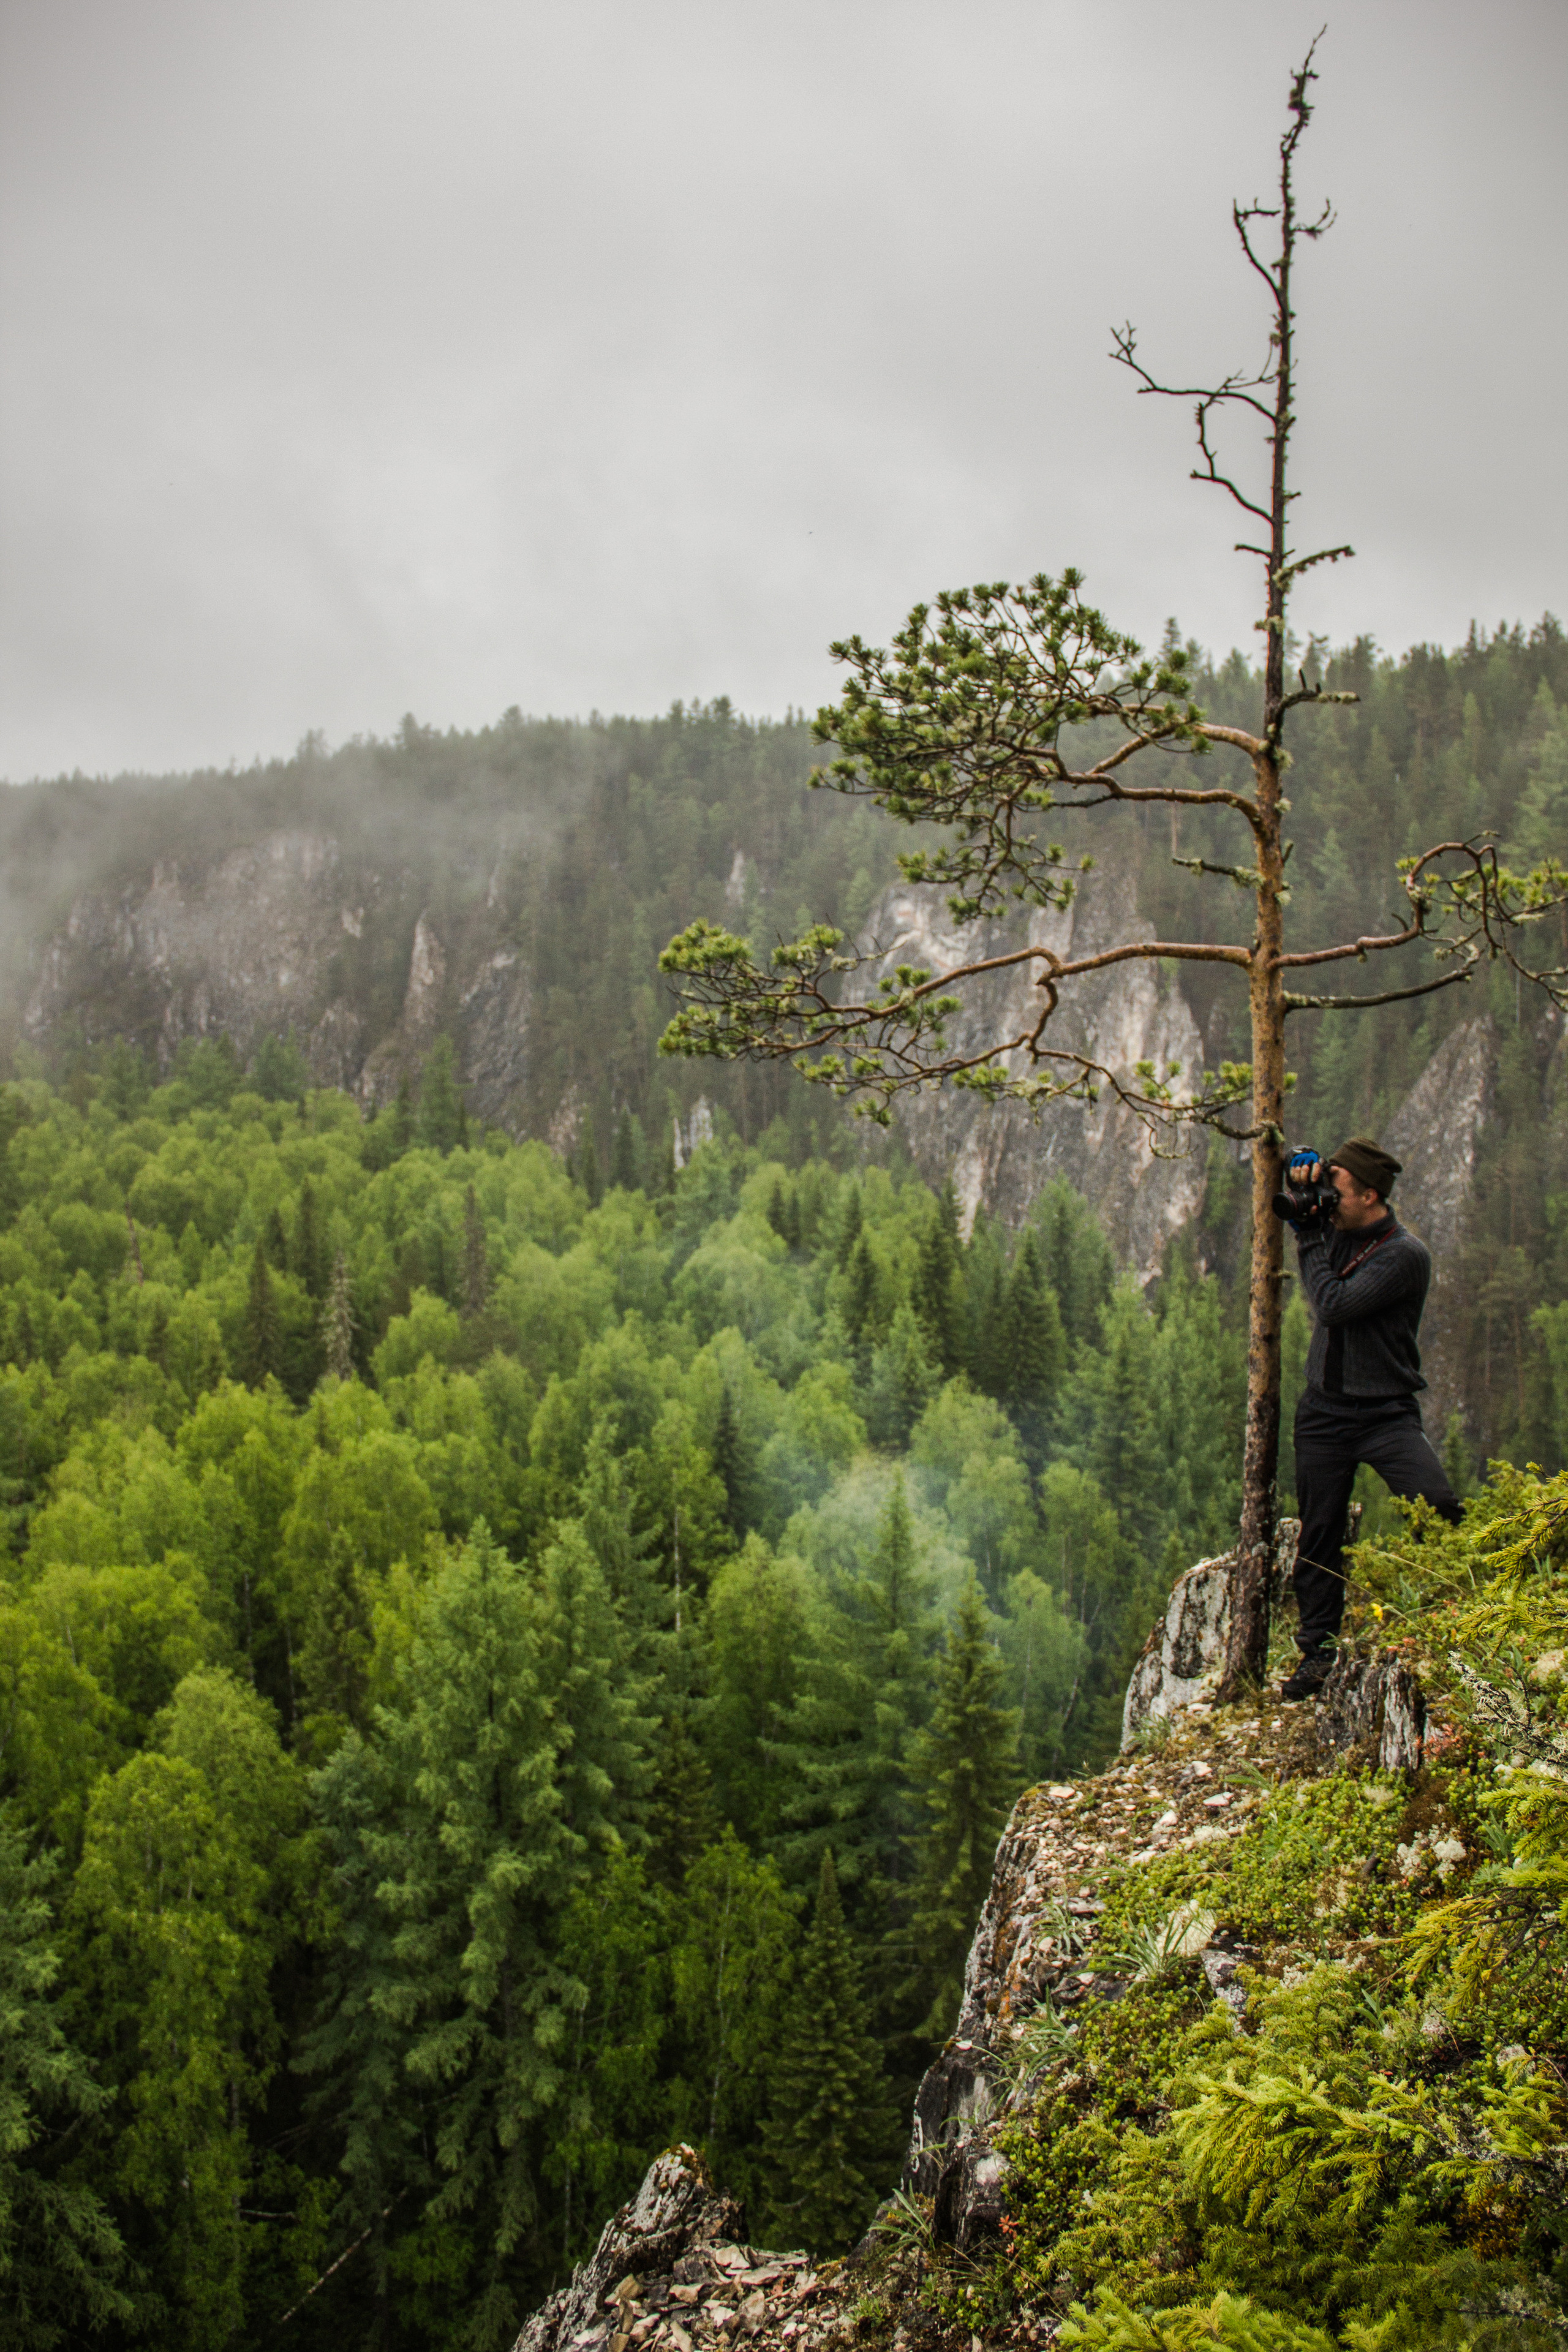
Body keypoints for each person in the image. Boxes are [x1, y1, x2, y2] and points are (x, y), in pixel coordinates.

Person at [1280, 1134, 1461, 1702]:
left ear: (1370, 1195)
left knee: (1437, 1506)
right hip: (1325, 1410)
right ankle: (1318, 1654)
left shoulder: (1404, 1256)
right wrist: (1301, 1183)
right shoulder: (1339, 1229)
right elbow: (1311, 1235)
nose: (1330, 1204)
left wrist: (1309, 1232)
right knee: (1320, 1533)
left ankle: (1459, 1613)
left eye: (1337, 1193)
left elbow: (1332, 1305)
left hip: (1386, 1412)